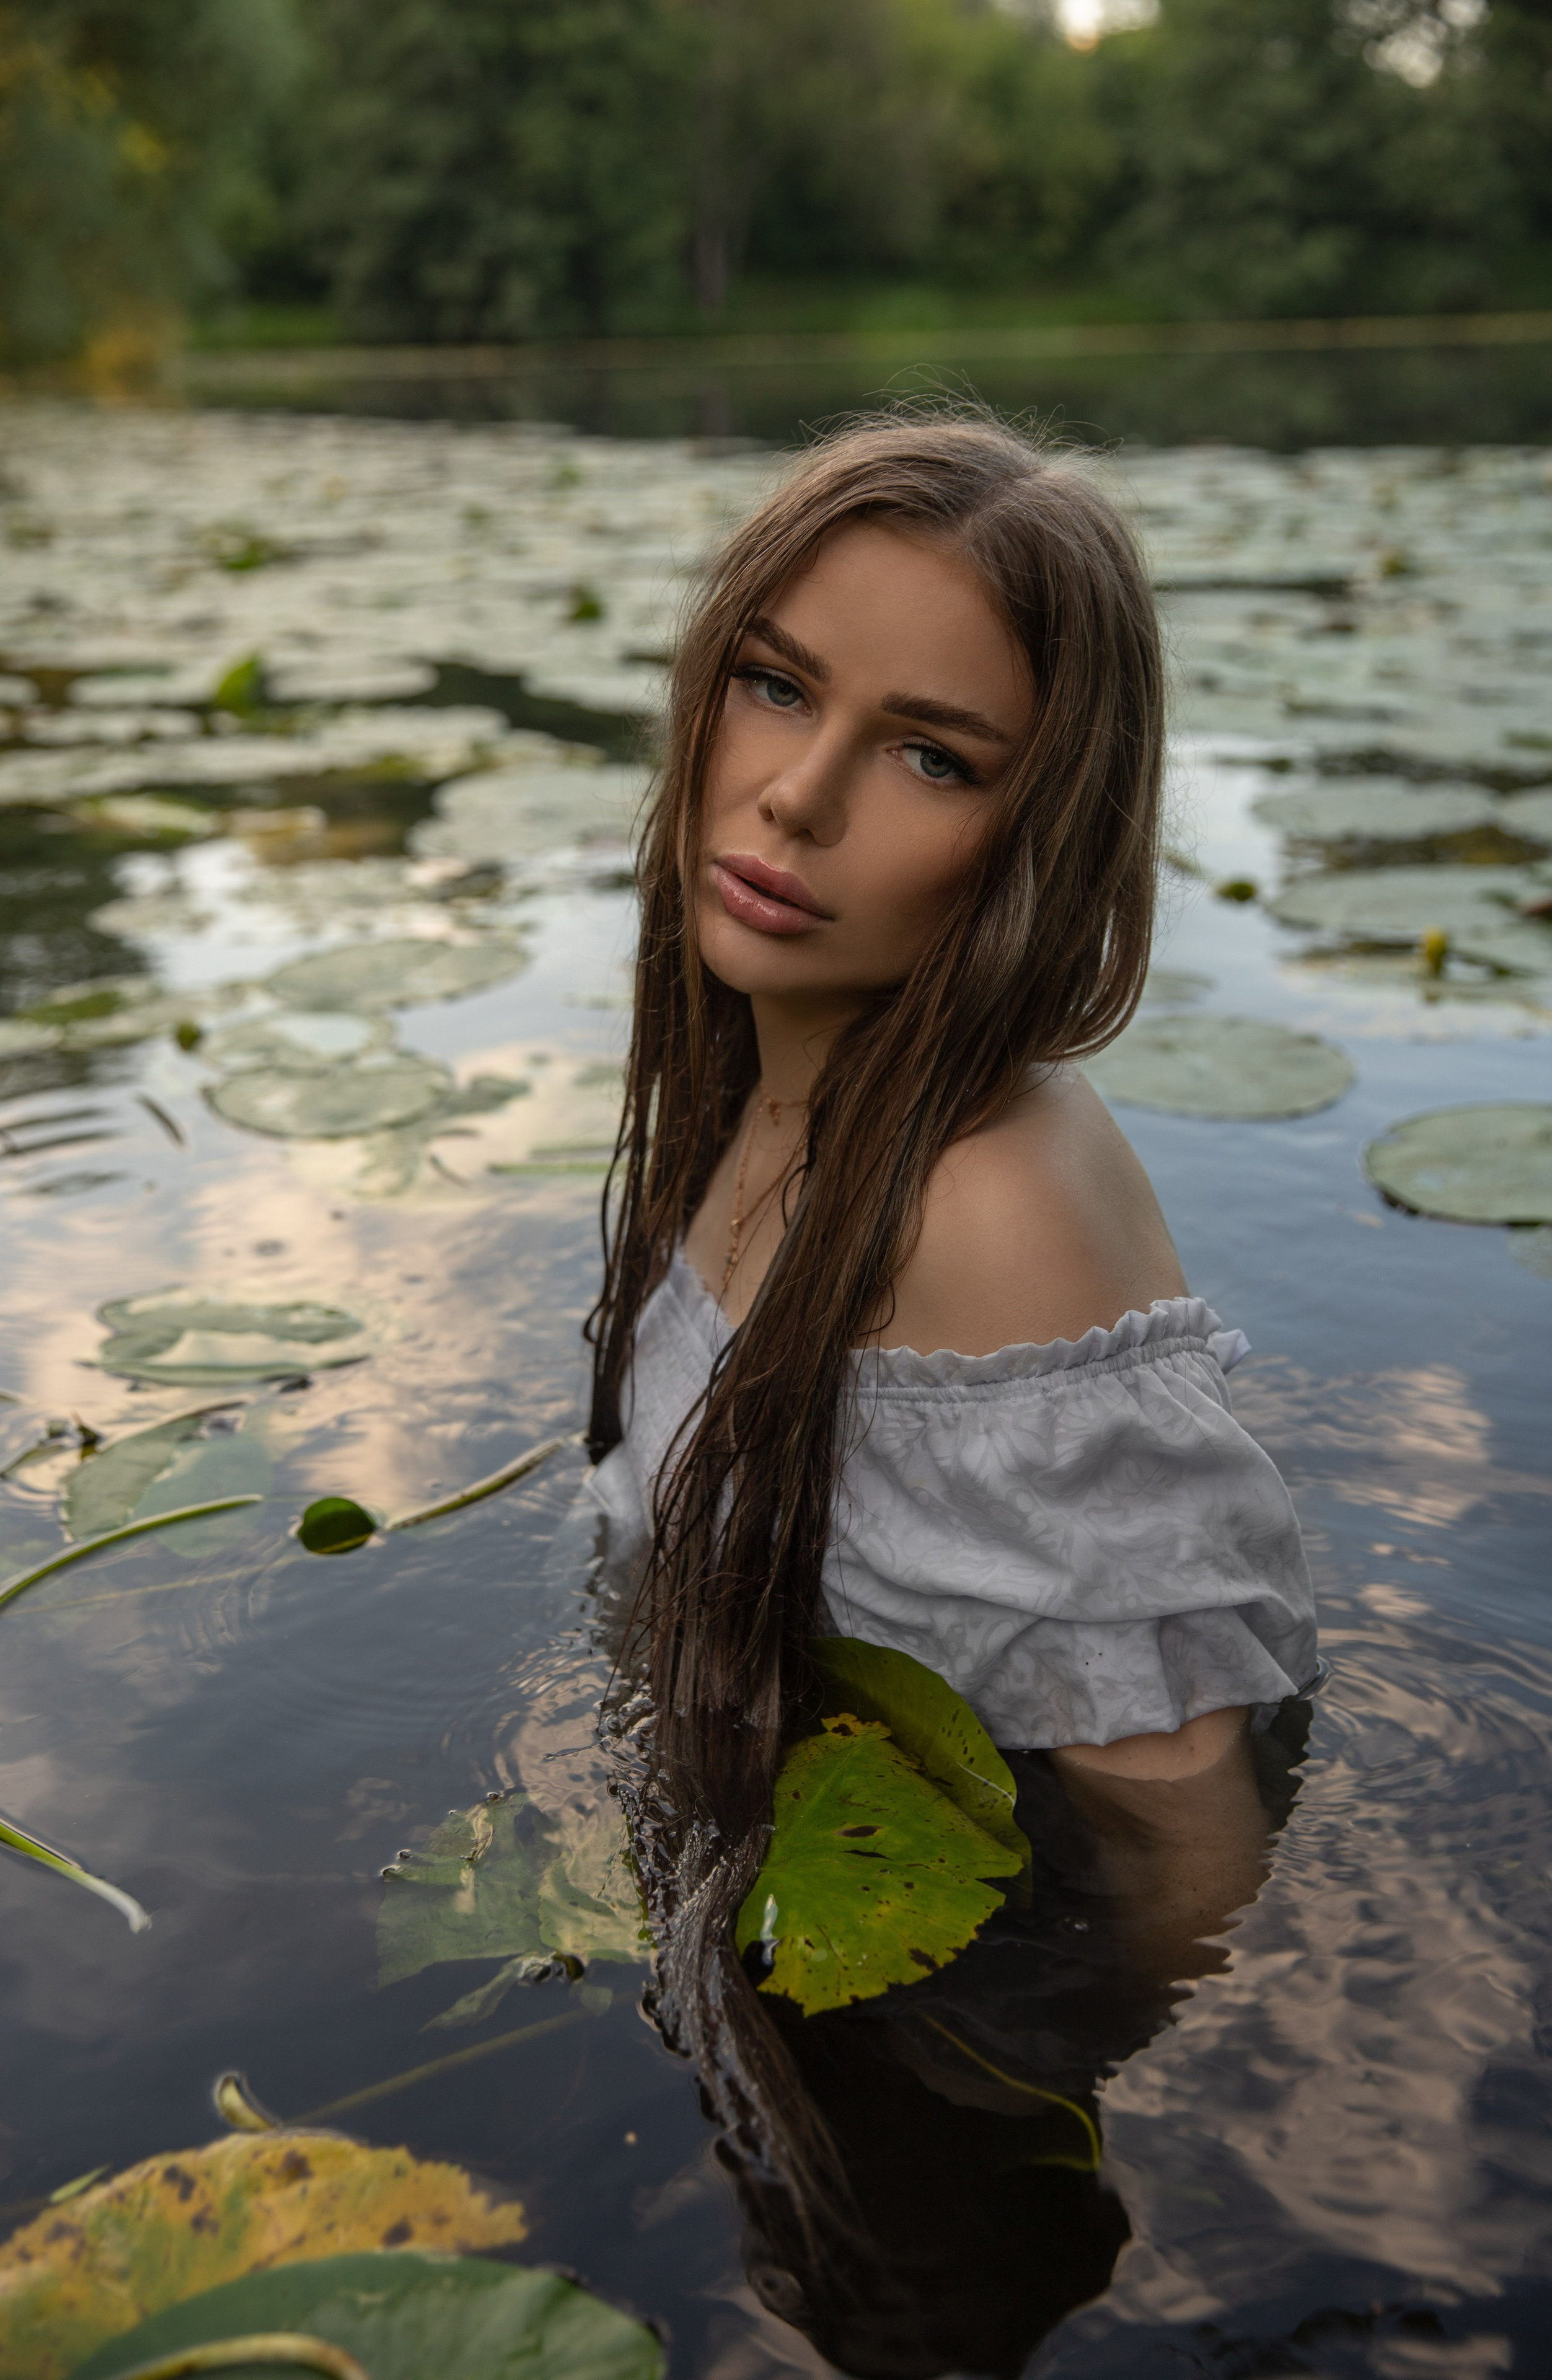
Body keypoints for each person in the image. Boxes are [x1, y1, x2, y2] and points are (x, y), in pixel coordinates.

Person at [583, 407, 1317, 2364]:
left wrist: (1031, 2102)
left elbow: (1177, 1813)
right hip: (811, 1864)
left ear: (1037, 835)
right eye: (774, 686)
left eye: (929, 755)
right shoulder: (765, 1075)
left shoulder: (987, 1213)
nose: (795, 799)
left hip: (971, 2001)